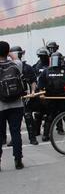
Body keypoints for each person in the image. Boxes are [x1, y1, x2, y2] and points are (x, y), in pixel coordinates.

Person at [0, 41, 25, 171]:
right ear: (8, 52)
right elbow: (17, 59)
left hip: (1, 106)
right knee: (16, 132)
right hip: (16, 104)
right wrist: (9, 52)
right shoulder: (16, 64)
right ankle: (18, 160)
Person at [38, 52, 65, 143]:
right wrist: (41, 92)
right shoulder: (49, 70)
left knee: (64, 116)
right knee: (52, 116)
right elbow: (40, 83)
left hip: (60, 97)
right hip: (53, 97)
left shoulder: (64, 70)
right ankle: (46, 135)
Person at [9, 46, 39, 146]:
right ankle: (14, 140)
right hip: (14, 97)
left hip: (25, 96)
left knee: (28, 117)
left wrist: (33, 92)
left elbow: (33, 81)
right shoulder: (9, 67)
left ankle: (32, 138)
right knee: (15, 122)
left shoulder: (27, 67)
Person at [32, 47, 50, 137]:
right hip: (41, 92)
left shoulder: (51, 65)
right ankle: (38, 132)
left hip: (47, 92)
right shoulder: (36, 66)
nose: (42, 58)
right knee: (40, 113)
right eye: (41, 56)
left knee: (47, 113)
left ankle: (45, 133)